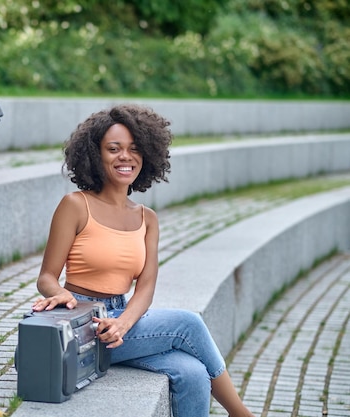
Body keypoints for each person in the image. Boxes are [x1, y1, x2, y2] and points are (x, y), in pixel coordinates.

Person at [32, 104, 255, 417]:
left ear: (147, 155)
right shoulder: (75, 205)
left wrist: (123, 323)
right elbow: (46, 277)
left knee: (192, 374)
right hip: (84, 323)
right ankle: (242, 414)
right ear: (96, 155)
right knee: (188, 323)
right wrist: (61, 295)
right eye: (114, 149)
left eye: (135, 149)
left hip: (122, 319)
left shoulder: (147, 218)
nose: (126, 157)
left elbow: (146, 287)